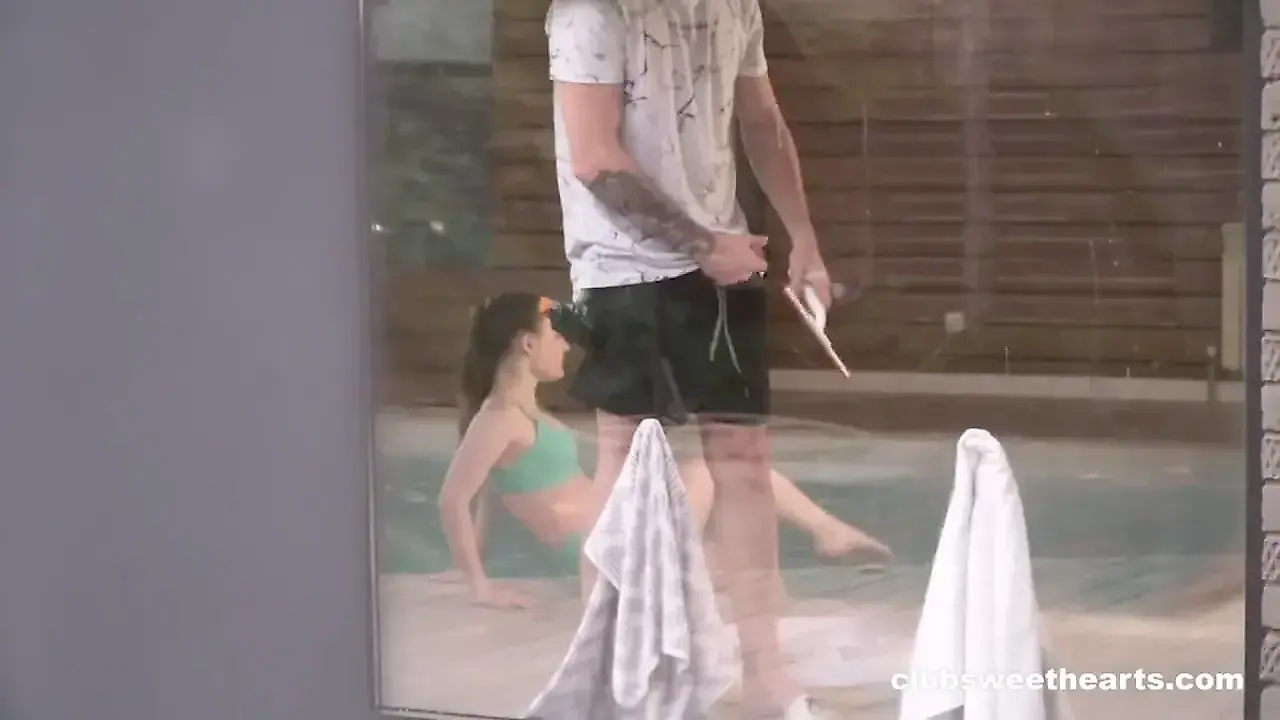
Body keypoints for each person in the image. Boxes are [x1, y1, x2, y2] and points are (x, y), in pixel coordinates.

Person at [547, 0, 834, 715]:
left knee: (744, 458)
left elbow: (761, 120)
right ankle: (609, 670)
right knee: (624, 453)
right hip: (623, 264)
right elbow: (595, 157)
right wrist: (704, 246)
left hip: (724, 251)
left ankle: (766, 672)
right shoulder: (591, 11)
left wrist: (804, 237)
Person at [437, 292, 890, 609]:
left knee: (733, 561)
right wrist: (480, 587)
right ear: (527, 343)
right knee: (712, 469)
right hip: (607, 548)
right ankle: (828, 532)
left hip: (617, 532)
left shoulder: (520, 412)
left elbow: (491, 489)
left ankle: (821, 544)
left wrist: (474, 560)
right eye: (556, 336)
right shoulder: (500, 418)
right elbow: (453, 499)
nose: (566, 345)